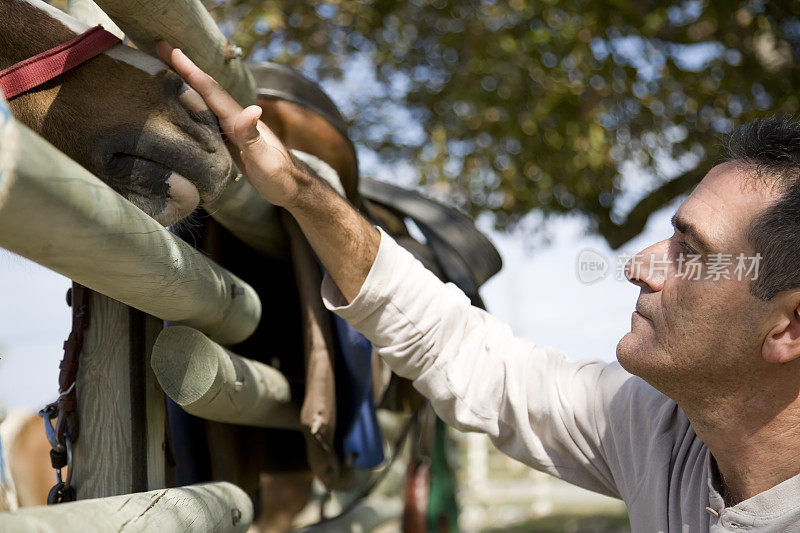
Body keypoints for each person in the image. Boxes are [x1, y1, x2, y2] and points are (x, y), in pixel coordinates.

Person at [157, 41, 800, 531]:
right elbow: (463, 353)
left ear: (788, 327)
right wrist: (299, 190)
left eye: (692, 253)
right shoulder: (655, 430)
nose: (638, 265)